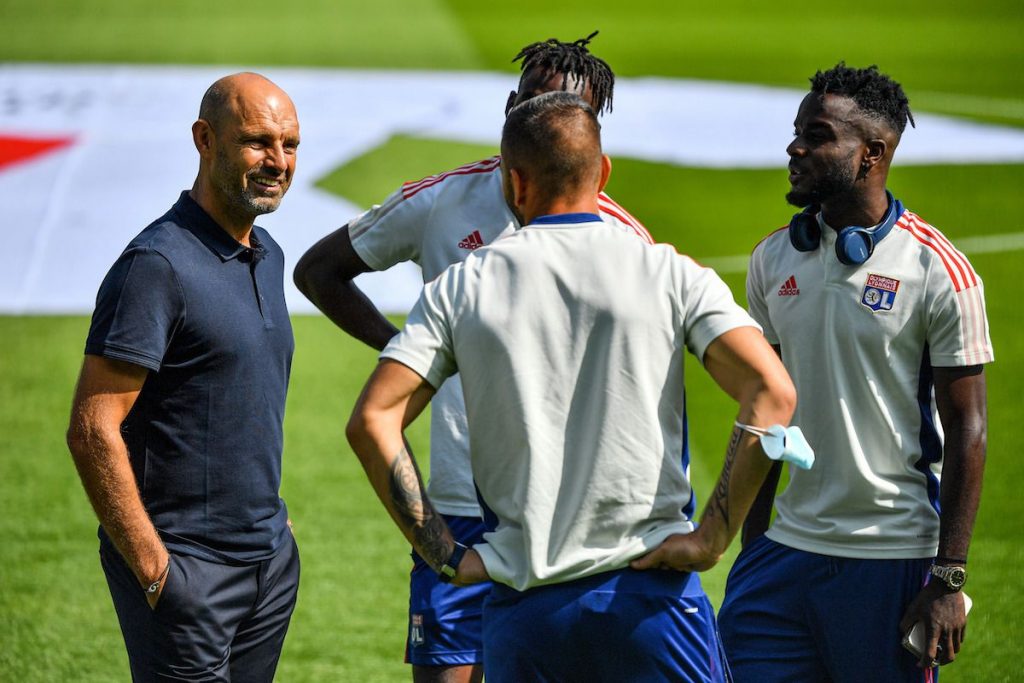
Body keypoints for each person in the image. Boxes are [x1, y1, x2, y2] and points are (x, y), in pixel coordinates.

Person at [346, 91, 798, 682]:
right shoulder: (668, 272)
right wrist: (712, 537)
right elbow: (772, 392)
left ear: (514, 182)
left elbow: (372, 420)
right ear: (602, 173)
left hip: (526, 610)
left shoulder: (462, 286)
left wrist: (444, 554)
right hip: (653, 602)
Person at [293, 32, 649, 683]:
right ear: (510, 107)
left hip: (570, 519)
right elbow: (319, 272)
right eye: (533, 103)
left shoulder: (626, 241)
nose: (544, 121)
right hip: (459, 509)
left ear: (592, 131)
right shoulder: (444, 201)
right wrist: (409, 355)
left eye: (567, 111)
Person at [718, 63, 993, 681]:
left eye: (817, 136)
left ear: (872, 153)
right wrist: (750, 548)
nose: (794, 148)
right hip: (783, 554)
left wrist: (948, 577)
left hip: (891, 558)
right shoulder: (772, 259)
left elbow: (968, 428)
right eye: (797, 132)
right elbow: (766, 407)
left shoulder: (938, 270)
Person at [66, 72, 301, 682]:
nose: (278, 161)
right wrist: (155, 570)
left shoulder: (268, 255)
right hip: (184, 570)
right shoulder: (155, 265)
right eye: (257, 142)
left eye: (290, 145)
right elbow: (92, 429)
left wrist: (277, 534)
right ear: (205, 139)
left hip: (268, 567)